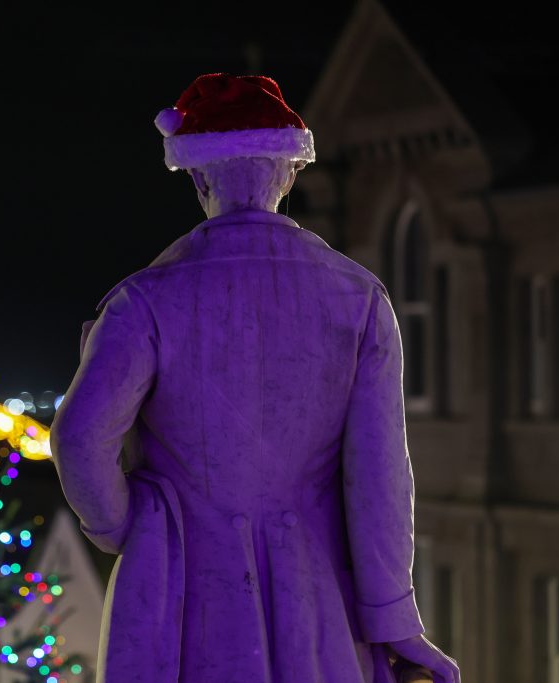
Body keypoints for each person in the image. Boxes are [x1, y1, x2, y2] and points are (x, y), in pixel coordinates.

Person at [49, 74, 461, 683]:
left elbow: (80, 440)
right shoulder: (358, 298)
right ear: (288, 173)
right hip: (320, 596)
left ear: (197, 177)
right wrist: (394, 621)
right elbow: (380, 481)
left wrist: (125, 526)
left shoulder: (144, 300)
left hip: (183, 589)